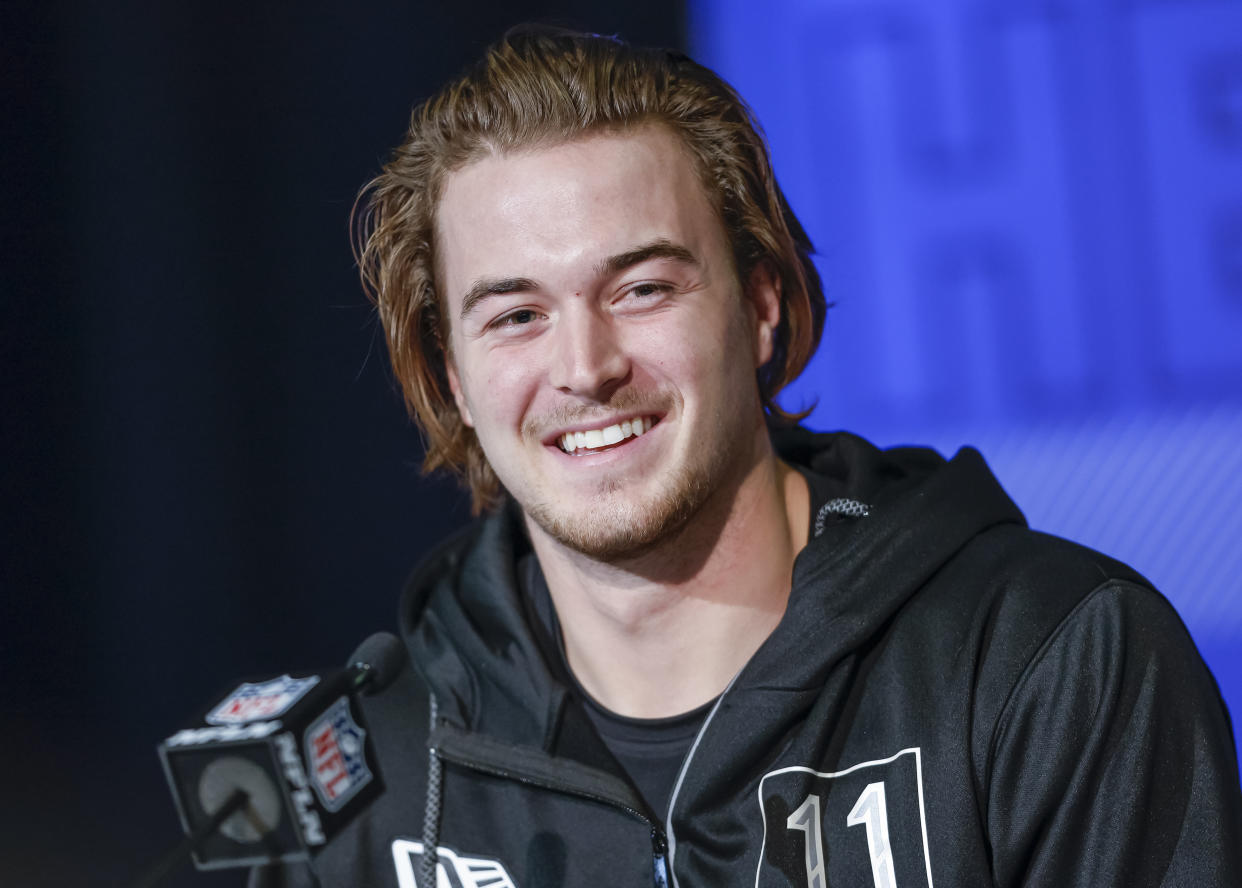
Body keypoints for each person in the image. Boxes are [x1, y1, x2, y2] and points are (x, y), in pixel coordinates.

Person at [257, 26, 1241, 888]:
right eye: (516, 315)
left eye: (641, 289)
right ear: (454, 376)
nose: (586, 367)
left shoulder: (1048, 664)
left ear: (761, 303)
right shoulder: (369, 774)